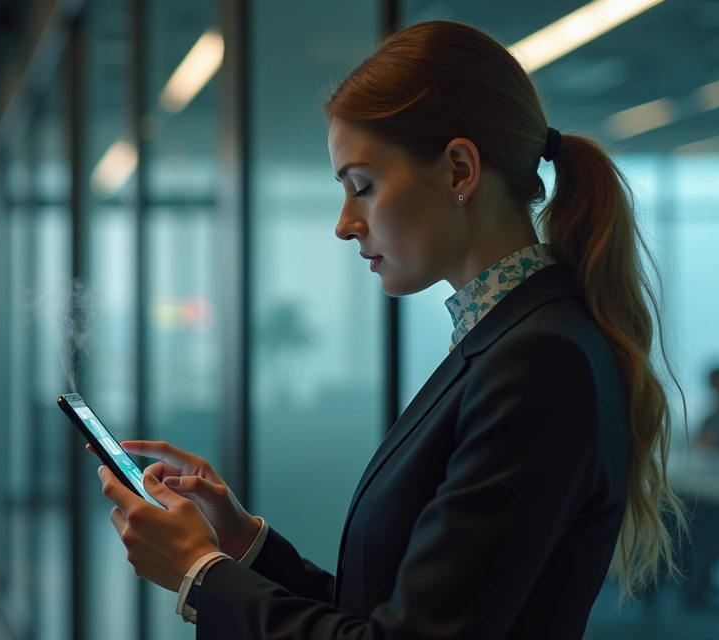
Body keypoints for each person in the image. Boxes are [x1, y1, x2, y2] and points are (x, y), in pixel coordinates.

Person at [91, 21, 684, 639]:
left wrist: (199, 573)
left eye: (362, 188)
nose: (346, 224)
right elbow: (379, 613)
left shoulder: (538, 360)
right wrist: (240, 538)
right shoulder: (510, 341)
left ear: (459, 170)